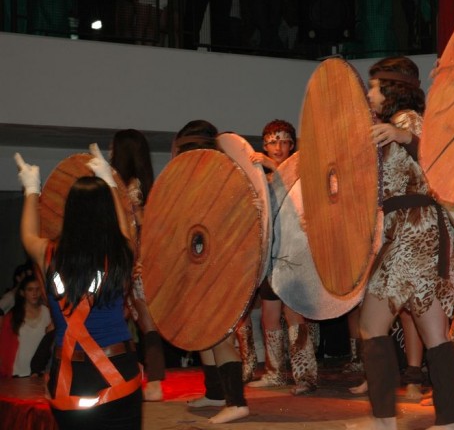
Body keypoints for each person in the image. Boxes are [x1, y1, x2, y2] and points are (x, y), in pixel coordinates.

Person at [359, 56, 454, 430]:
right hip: (417, 232)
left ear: (392, 89)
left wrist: (405, 136)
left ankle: (383, 420)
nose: (369, 93)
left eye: (374, 86)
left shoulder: (406, 121)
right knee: (435, 335)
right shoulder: (389, 126)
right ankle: (450, 420)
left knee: (371, 326)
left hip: (412, 231)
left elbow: (436, 159)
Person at [15, 145, 142, 429]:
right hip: (119, 373)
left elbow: (28, 235)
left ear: (69, 211)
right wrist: (109, 181)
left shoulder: (48, 254)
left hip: (68, 380)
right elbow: (125, 229)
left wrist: (31, 189)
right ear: (106, 213)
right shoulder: (121, 253)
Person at [171, 120, 251, 423]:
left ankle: (236, 401)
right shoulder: (194, 179)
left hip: (220, 266)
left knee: (219, 336)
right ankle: (216, 393)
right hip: (204, 264)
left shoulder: (221, 177)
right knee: (205, 333)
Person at [248, 119, 318, 396]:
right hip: (271, 254)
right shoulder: (262, 180)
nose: (278, 147)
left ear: (292, 145)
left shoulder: (301, 172)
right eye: (272, 142)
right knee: (269, 316)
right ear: (264, 145)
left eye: (284, 141)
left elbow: (293, 194)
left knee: (293, 315)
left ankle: (306, 376)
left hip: (293, 253)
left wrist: (270, 165)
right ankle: (275, 373)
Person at [110, 128, 166, 402]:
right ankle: (137, 374)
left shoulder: (131, 186)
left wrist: (142, 258)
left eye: (113, 147)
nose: (110, 151)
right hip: (128, 261)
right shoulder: (132, 184)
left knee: (146, 321)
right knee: (132, 321)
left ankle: (154, 381)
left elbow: (143, 226)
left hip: (135, 261)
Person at [0, 274, 54, 378]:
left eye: (37, 289)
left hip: (39, 372)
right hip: (17, 372)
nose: (34, 293)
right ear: (22, 293)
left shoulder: (47, 313)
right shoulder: (13, 316)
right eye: (30, 290)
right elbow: (4, 346)